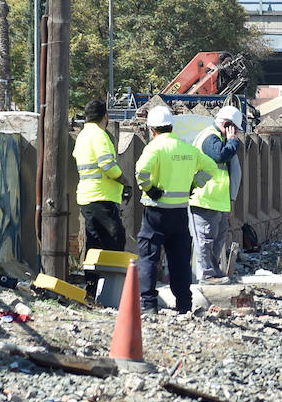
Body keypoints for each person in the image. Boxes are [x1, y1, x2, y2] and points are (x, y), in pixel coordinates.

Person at [134, 106, 218, 315]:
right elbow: (211, 168)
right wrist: (194, 185)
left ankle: (148, 305)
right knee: (179, 259)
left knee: (149, 257)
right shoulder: (187, 149)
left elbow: (141, 171)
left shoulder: (154, 148)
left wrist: (149, 189)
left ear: (152, 129)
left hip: (155, 212)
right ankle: (184, 304)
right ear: (171, 127)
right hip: (180, 212)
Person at [72, 99, 128, 297]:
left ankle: (92, 288)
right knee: (114, 239)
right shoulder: (99, 135)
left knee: (94, 243)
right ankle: (111, 289)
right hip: (101, 197)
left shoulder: (82, 135)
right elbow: (107, 165)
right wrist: (124, 181)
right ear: (105, 116)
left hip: (88, 196)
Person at [189, 105, 245, 283]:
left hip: (217, 200)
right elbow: (220, 155)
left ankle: (214, 272)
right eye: (235, 129)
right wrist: (232, 141)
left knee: (217, 240)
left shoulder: (219, 138)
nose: (236, 133)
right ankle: (206, 275)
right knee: (205, 240)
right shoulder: (209, 137)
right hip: (204, 198)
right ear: (228, 124)